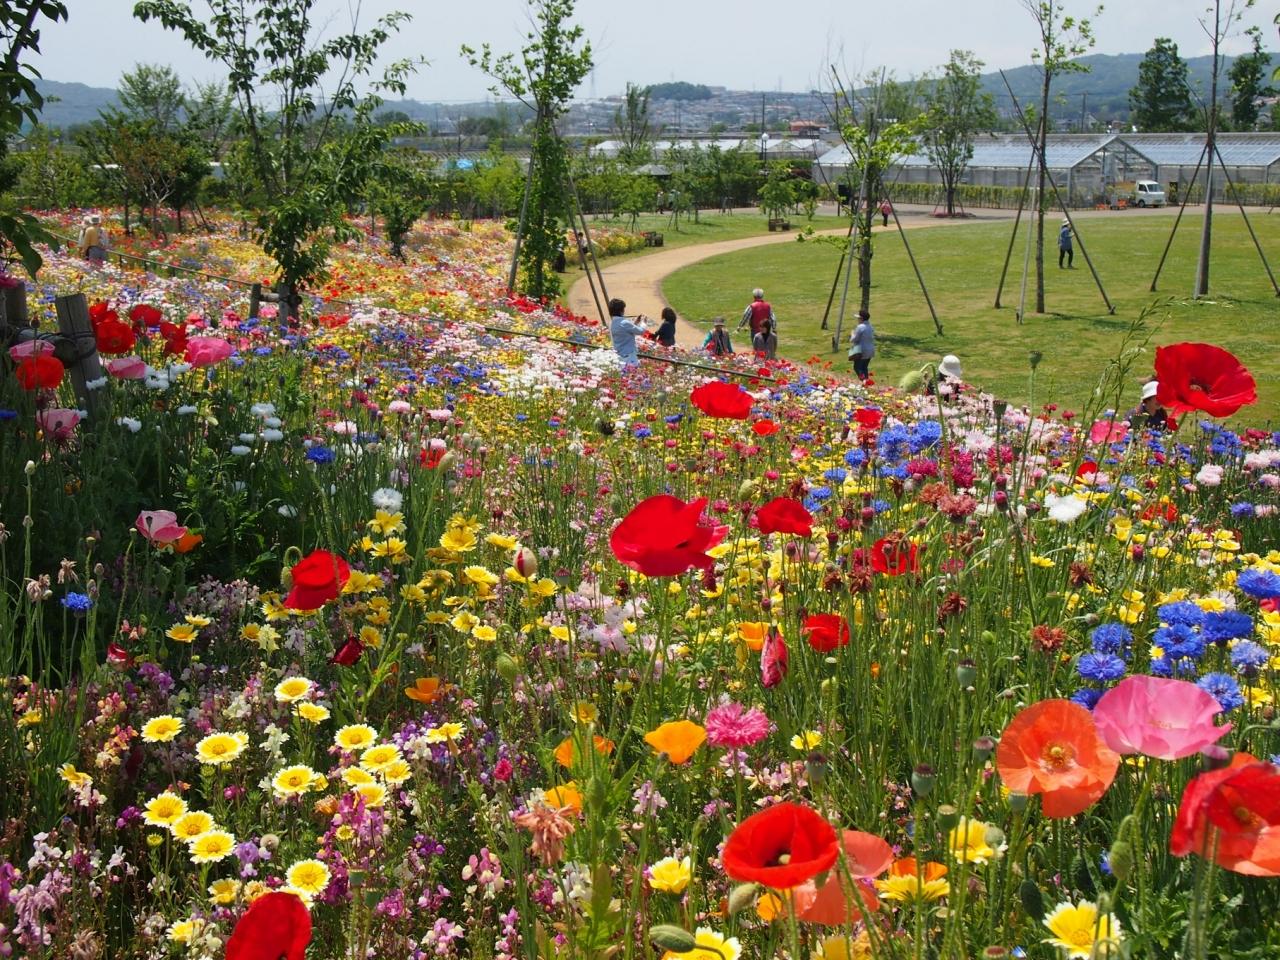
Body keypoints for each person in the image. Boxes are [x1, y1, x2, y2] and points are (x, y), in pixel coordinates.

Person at [609, 298, 647, 367]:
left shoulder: (612, 322)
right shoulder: (624, 323)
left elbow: (626, 330)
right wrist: (643, 322)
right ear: (621, 310)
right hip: (629, 357)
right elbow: (641, 331)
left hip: (620, 356)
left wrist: (636, 322)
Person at [848, 309, 875, 382]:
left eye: (858, 318)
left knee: (857, 367)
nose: (858, 319)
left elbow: (854, 339)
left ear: (861, 318)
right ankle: (867, 382)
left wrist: (852, 334)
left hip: (861, 350)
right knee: (864, 367)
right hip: (870, 350)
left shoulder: (860, 327)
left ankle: (864, 382)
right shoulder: (870, 326)